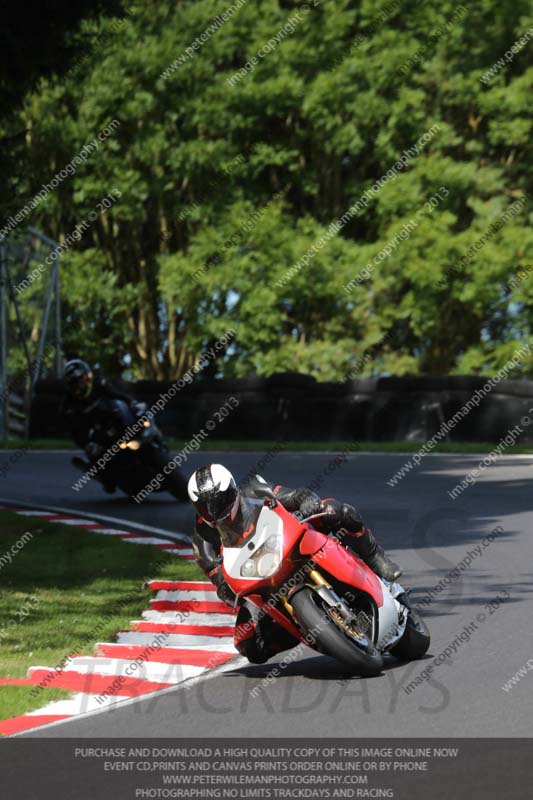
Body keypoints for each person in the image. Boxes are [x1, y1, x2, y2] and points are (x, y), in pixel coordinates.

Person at [188, 463, 402, 664]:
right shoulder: (202, 539)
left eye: (217, 502)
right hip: (258, 577)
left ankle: (375, 557)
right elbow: (217, 578)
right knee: (247, 643)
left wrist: (305, 499)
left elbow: (292, 495)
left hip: (290, 542)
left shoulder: (253, 489)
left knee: (334, 510)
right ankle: (301, 627)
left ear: (232, 491)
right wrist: (228, 589)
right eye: (205, 507)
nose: (214, 511)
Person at [61, 359, 136, 492]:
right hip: (98, 432)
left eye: (80, 381)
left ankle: (155, 439)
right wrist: (87, 444)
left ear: (87, 376)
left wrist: (132, 403)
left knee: (142, 417)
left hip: (118, 420)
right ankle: (107, 479)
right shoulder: (69, 404)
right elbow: (74, 430)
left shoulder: (100, 383)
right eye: (74, 384)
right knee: (95, 453)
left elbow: (117, 395)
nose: (79, 386)